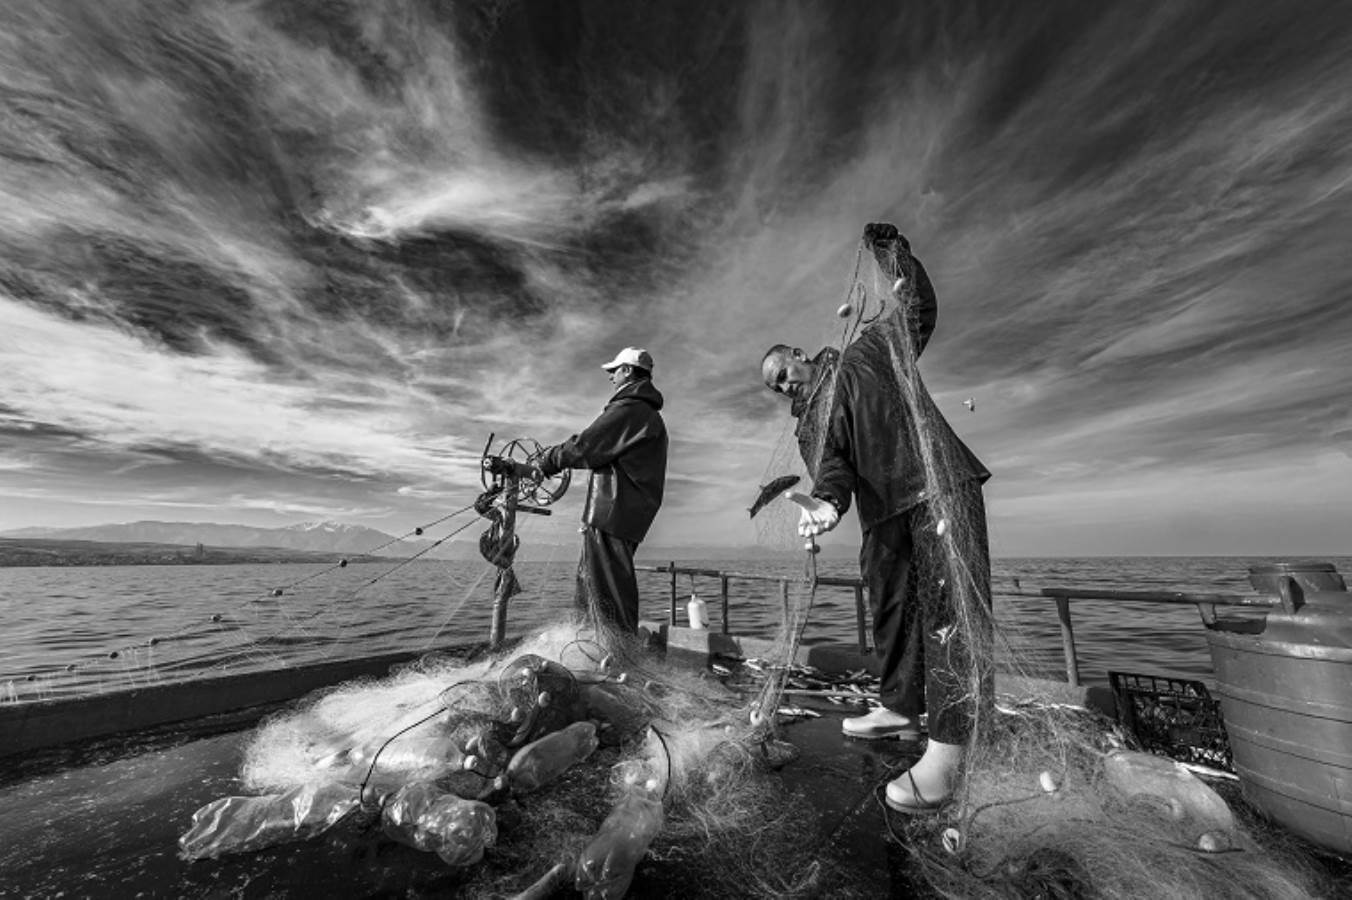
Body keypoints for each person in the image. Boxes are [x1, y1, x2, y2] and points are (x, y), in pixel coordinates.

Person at [760, 223, 992, 813]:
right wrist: (827, 505)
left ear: (797, 354)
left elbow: (918, 308)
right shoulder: (809, 423)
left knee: (948, 614)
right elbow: (832, 474)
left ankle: (950, 748)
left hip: (939, 487)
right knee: (889, 609)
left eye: (781, 369)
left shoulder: (869, 347)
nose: (782, 382)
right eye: (773, 385)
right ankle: (898, 706)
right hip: (883, 514)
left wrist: (893, 253)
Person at [536, 347, 668, 636]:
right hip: (625, 512)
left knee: (605, 587)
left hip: (612, 509)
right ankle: (593, 642)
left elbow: (587, 446)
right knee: (596, 582)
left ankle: (617, 651)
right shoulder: (647, 414)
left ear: (629, 371)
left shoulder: (630, 409)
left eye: (615, 370)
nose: (610, 376)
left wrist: (547, 461)